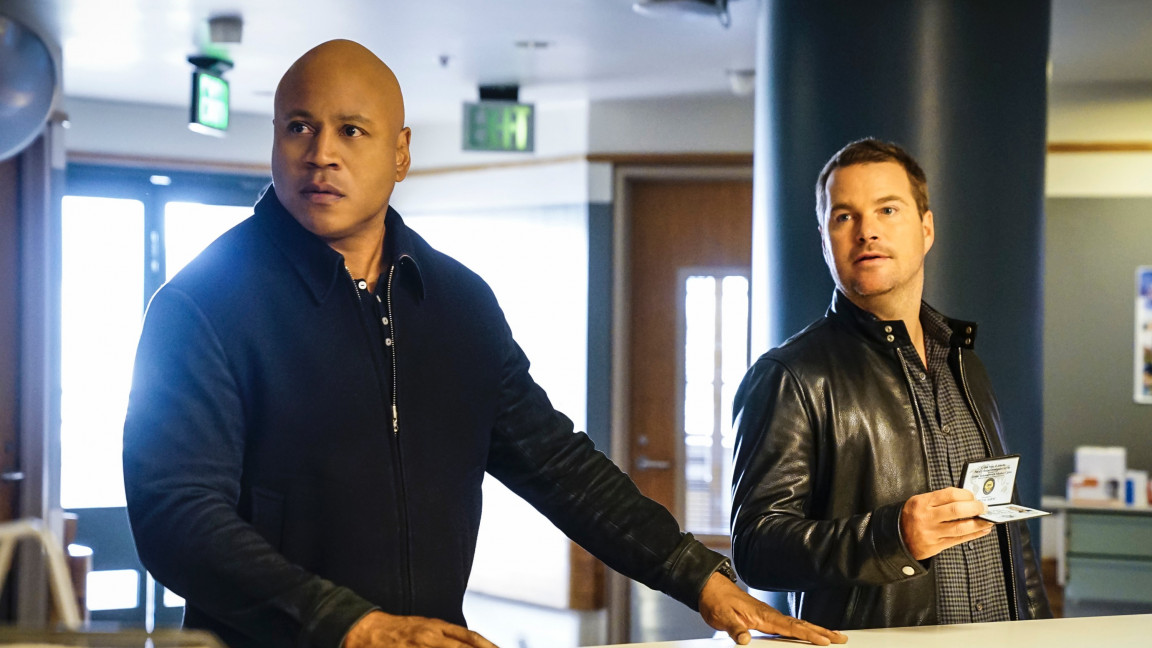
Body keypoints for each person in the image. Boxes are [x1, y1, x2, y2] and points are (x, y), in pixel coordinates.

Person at [122, 39, 846, 648]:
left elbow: (557, 465)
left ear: (401, 152)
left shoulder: (458, 303)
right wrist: (353, 626)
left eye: (352, 131)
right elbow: (176, 517)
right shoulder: (202, 306)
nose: (321, 155)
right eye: (299, 127)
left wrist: (698, 576)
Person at [730, 138, 1051, 630]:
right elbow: (755, 549)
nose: (867, 231)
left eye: (887, 209)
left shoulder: (966, 364)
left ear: (926, 228)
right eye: (844, 216)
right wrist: (891, 537)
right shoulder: (789, 377)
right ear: (825, 240)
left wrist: (1042, 633)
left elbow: (1008, 530)